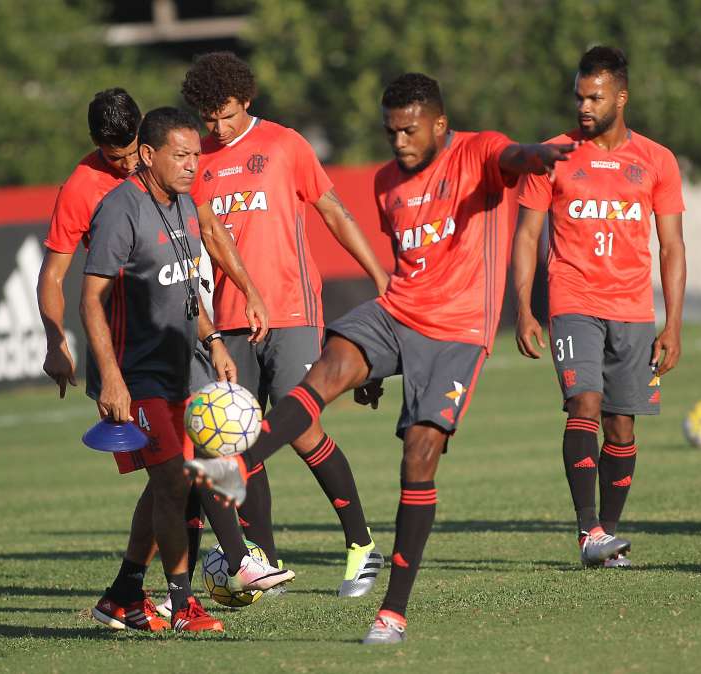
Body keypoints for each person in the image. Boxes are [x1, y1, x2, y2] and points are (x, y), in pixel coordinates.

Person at [185, 72, 576, 644]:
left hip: (456, 332)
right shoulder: (387, 183)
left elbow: (511, 157)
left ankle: (391, 610)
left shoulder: (480, 151)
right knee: (328, 372)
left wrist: (535, 153)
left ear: (439, 124)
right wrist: (376, 363)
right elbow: (402, 265)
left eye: (410, 130)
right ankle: (234, 472)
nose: (399, 142)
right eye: (391, 131)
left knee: (419, 455)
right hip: (397, 308)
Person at [36, 90, 275, 629]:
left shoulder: (178, 193)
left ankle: (124, 592)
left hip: (179, 355)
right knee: (174, 477)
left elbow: (192, 272)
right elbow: (71, 287)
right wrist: (65, 348)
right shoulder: (101, 196)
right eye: (113, 156)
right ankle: (220, 572)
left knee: (168, 479)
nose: (120, 163)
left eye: (195, 157)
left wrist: (214, 337)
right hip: (133, 364)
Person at [180, 52, 392, 596]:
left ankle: (361, 544)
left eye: (225, 114)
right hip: (226, 325)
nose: (217, 127)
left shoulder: (283, 144)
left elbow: (335, 212)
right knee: (232, 441)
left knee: (298, 431)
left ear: (245, 100)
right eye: (208, 117)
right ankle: (262, 562)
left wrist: (379, 277)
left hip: (292, 310)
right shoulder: (192, 162)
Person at [513, 46, 686, 567]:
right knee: (583, 403)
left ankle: (607, 538)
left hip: (634, 310)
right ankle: (588, 529)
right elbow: (526, 236)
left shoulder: (657, 160)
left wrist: (674, 323)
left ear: (621, 97)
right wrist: (524, 307)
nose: (584, 106)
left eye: (595, 96)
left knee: (622, 429)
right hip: (573, 301)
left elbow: (672, 244)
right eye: (579, 96)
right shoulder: (552, 155)